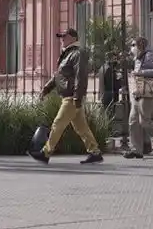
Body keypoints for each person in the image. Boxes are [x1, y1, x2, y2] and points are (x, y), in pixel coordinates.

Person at [31, 28, 104, 164]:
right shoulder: (67, 54)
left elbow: (80, 76)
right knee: (81, 127)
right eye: (61, 36)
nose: (62, 39)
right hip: (69, 96)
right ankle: (95, 152)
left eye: (65, 36)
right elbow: (58, 76)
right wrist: (46, 89)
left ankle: (46, 153)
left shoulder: (77, 53)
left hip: (71, 96)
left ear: (74, 38)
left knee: (58, 123)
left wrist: (77, 96)